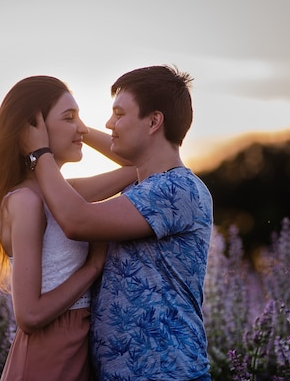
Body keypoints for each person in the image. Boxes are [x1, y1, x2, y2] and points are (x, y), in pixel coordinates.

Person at [23, 65, 213, 380]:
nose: (110, 123)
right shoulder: (138, 189)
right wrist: (77, 132)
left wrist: (38, 152)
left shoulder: (177, 189)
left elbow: (76, 220)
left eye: (119, 114)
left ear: (154, 121)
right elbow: (124, 166)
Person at [0, 75, 137, 381]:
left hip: (74, 350)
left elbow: (139, 165)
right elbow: (29, 315)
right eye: (69, 117)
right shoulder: (25, 201)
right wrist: (93, 268)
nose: (82, 127)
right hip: (46, 359)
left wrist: (79, 132)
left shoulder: (63, 196)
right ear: (32, 129)